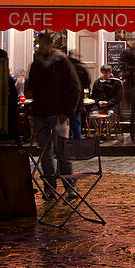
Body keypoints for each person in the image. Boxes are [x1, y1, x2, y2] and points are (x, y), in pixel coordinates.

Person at [27, 33, 82, 198]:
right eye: (38, 44)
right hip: (41, 114)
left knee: (62, 152)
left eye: (42, 44)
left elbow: (75, 88)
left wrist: (67, 111)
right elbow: (31, 85)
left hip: (58, 114)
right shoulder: (37, 64)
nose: (40, 47)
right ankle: (49, 187)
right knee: (45, 153)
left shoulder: (62, 63)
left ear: (50, 45)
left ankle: (69, 186)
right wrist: (30, 93)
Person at [119, 39, 135, 142]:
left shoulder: (130, 52)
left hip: (130, 84)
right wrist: (133, 68)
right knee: (131, 110)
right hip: (129, 84)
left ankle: (130, 133)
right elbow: (124, 66)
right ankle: (131, 133)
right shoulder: (128, 52)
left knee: (131, 110)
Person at [66, 51, 91, 139]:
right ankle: (77, 147)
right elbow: (87, 84)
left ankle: (67, 145)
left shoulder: (65, 68)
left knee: (66, 126)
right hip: (77, 101)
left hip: (65, 102)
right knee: (76, 124)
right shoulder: (82, 68)